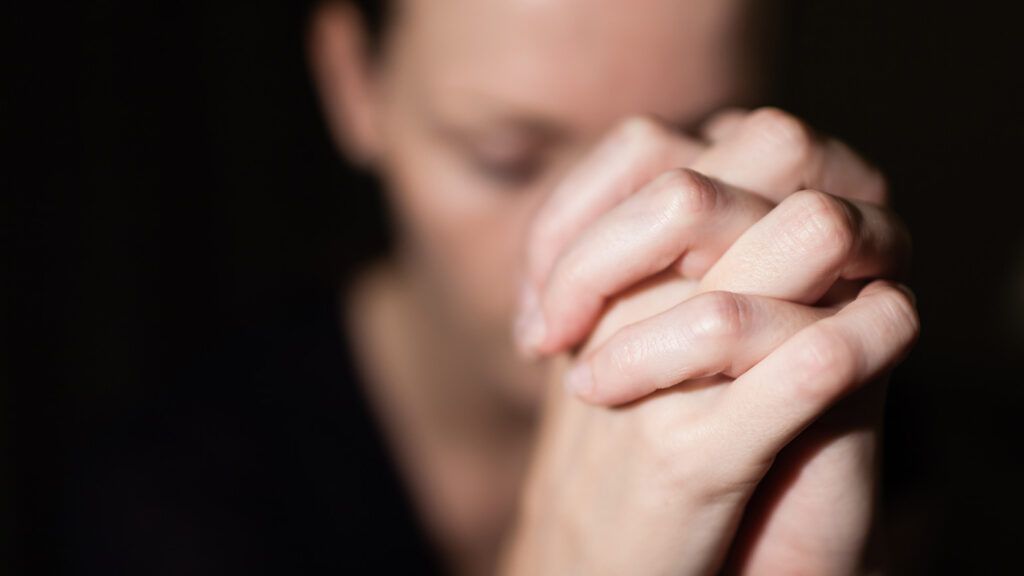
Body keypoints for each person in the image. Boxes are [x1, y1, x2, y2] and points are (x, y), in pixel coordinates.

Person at [307, 0, 918, 573]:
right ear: (353, 81)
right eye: (506, 158)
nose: (597, 244)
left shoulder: (868, 428)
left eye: (698, 151)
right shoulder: (219, 488)